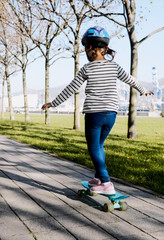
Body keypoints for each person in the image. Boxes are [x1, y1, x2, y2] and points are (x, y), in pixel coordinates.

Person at [41, 26, 153, 195]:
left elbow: (71, 88)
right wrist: (143, 90)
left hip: (94, 114)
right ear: (105, 49)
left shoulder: (87, 68)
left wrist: (53, 103)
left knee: (93, 148)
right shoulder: (114, 66)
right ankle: (99, 178)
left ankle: (106, 183)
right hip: (112, 114)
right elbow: (131, 80)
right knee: (99, 146)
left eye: (86, 47)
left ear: (90, 48)